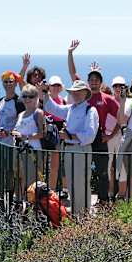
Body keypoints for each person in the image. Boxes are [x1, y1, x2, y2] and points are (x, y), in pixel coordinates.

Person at [67, 40, 120, 203]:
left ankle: (103, 201)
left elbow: (121, 118)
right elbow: (72, 73)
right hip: (81, 137)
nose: (94, 81)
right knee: (82, 171)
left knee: (103, 172)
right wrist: (70, 53)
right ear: (88, 81)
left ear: (101, 82)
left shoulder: (107, 99)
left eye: (97, 79)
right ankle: (82, 200)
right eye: (91, 79)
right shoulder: (82, 93)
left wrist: (110, 136)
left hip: (99, 137)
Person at [41, 79, 99, 214]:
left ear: (86, 93)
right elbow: (51, 108)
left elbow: (90, 135)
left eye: (79, 92)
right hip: (69, 150)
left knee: (80, 183)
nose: (76, 94)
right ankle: (77, 215)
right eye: (74, 92)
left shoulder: (91, 110)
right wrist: (45, 92)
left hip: (80, 150)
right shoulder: (71, 109)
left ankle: (83, 216)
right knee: (72, 184)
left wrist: (69, 136)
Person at [12, 84, 45, 195]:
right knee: (20, 179)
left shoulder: (38, 113)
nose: (27, 99)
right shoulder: (20, 114)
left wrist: (24, 136)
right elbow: (16, 130)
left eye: (30, 96)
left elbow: (41, 133)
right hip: (20, 151)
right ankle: (21, 206)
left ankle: (34, 209)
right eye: (25, 96)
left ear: (36, 97)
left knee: (33, 182)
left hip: (33, 152)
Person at [108, 76, 131, 196]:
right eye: (115, 86)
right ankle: (111, 192)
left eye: (121, 86)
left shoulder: (130, 102)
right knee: (109, 165)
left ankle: (121, 194)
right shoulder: (108, 100)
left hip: (122, 137)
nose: (118, 88)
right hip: (109, 137)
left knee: (122, 166)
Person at [45, 75, 67, 191]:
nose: (56, 87)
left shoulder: (64, 101)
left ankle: (56, 190)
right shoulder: (44, 100)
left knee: (57, 165)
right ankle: (50, 190)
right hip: (46, 135)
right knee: (48, 165)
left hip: (59, 136)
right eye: (53, 85)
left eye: (58, 85)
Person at [0, 71, 25, 146]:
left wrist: (8, 133)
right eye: (5, 82)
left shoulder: (19, 102)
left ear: (15, 84)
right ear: (2, 84)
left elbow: (21, 123)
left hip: (12, 145)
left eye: (11, 82)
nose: (8, 84)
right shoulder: (0, 101)